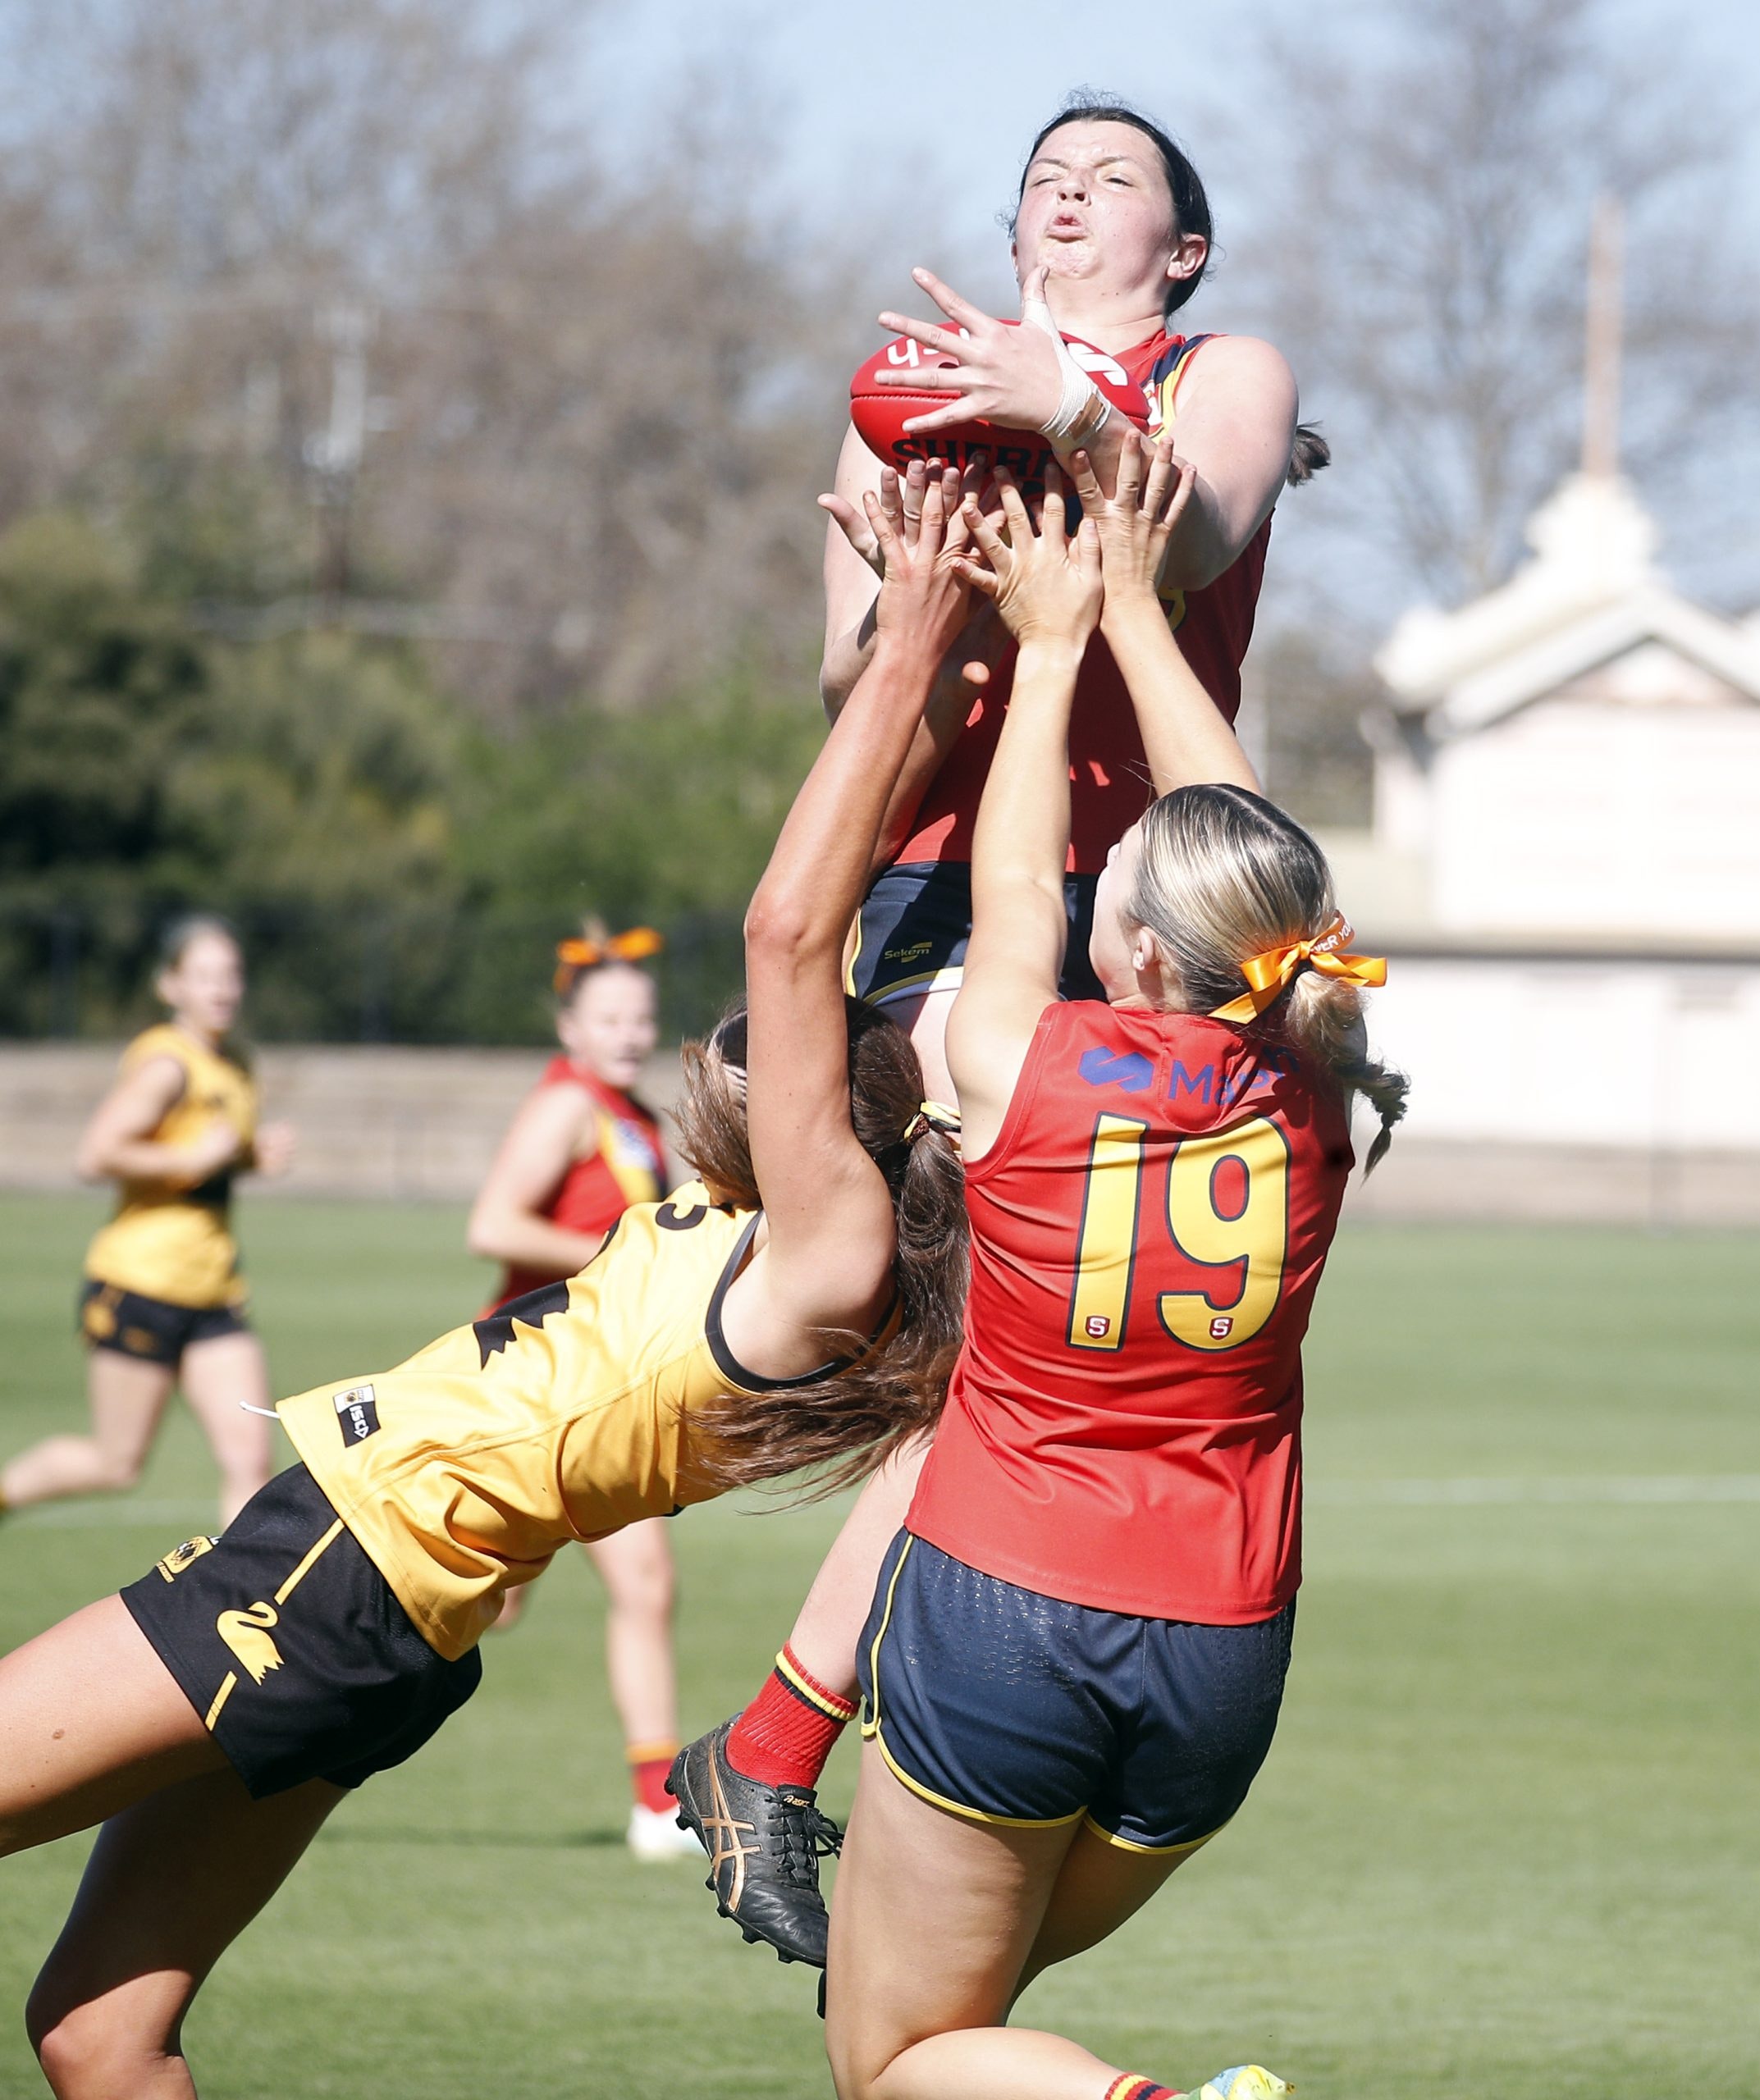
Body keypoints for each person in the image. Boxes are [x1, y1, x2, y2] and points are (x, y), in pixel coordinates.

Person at [0, 479, 981, 2100]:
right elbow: (858, 880)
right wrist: (910, 667)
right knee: (102, 2040)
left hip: (336, 1562)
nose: (719, 1038)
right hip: (387, 1606)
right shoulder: (769, 1227)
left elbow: (793, 919)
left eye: (758, 1046)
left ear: (824, 1124)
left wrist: (929, 629)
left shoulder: (823, 1247)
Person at [821, 452, 1406, 2100]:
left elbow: (1010, 882)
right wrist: (1146, 615)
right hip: (1220, 1641)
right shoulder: (1310, 1080)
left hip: (1005, 1610)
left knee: (896, 2049)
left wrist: (1053, 642)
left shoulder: (1020, 1058)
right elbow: (1261, 868)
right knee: (977, 2011)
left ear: (1135, 948)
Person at [822, 98, 1325, 1110]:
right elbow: (846, 687)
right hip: (947, 849)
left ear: (1184, 251)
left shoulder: (1221, 373)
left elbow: (1189, 547)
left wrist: (1062, 408)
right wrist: (915, 601)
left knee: (1134, 1187)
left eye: (1112, 176)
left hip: (1158, 863)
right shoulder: (907, 401)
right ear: (1014, 232)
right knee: (941, 1158)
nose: (1071, 188)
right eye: (1048, 175)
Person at [464, 921, 698, 1860]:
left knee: (624, 1585)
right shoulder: (567, 1106)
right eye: (608, 1016)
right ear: (569, 1026)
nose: (629, 1031)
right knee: (495, 1599)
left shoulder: (633, 1113)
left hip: (602, 1385)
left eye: (640, 1015)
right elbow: (494, 1222)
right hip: (537, 1379)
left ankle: (655, 1804)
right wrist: (620, 1257)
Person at [0, 915, 295, 1531]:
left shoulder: (235, 1061)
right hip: (141, 1285)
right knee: (115, 1463)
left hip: (214, 1290)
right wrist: (191, 1159)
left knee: (250, 1455)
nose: (223, 989)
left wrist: (247, 1157)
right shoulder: (169, 1065)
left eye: (232, 974)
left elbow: (209, 1157)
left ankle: (238, 1611)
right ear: (171, 986)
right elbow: (96, 1155)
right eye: (205, 975)